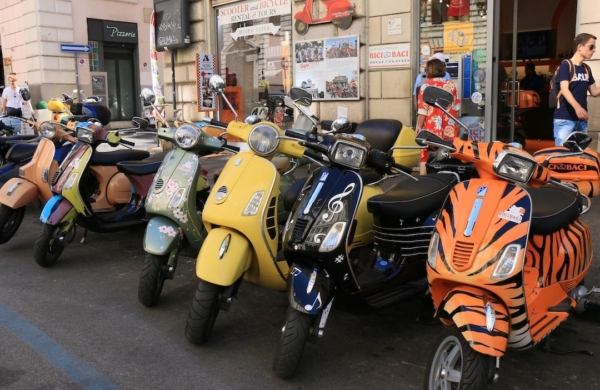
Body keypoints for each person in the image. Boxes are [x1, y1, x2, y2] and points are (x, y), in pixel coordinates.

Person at [553, 33, 600, 145]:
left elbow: (594, 92)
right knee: (562, 155)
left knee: (579, 157)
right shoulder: (566, 65)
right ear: (580, 47)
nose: (594, 50)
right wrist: (577, 107)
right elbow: (564, 89)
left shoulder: (586, 69)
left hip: (581, 121)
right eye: (591, 47)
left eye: (594, 47)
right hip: (565, 119)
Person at [416, 58, 460, 175]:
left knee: (425, 152)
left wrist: (418, 127)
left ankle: (424, 179)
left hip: (431, 125)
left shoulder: (425, 87)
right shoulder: (451, 86)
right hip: (449, 125)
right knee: (448, 152)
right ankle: (448, 176)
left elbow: (422, 111)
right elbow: (456, 108)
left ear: (429, 71)